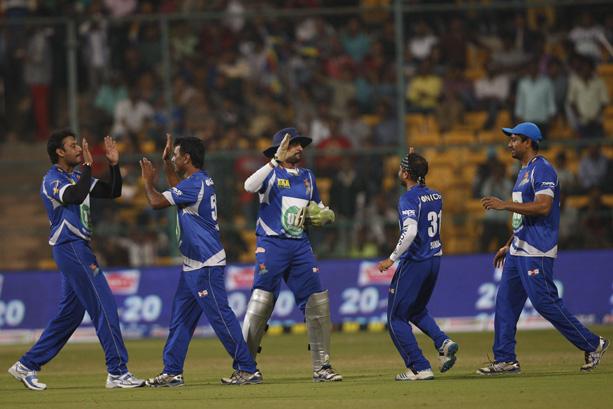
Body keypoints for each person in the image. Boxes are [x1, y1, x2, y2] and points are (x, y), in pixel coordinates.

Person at [8, 129, 144, 391]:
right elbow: (74, 196)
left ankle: (27, 365)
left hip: (78, 248)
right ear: (59, 152)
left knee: (70, 315)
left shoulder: (75, 175)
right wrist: (89, 167)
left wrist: (113, 166)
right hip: (70, 247)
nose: (78, 149)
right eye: (72, 146)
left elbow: (112, 191)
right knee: (104, 305)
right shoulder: (52, 179)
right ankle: (117, 372)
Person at [479, 122, 609, 375]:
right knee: (505, 301)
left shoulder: (543, 169)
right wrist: (509, 243)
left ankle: (593, 343)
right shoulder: (523, 171)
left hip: (537, 248)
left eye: (514, 139)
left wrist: (504, 205)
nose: (509, 144)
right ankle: (505, 359)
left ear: (528, 142)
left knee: (544, 302)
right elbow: (523, 216)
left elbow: (543, 207)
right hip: (519, 247)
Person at [139, 135, 261, 386]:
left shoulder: (195, 184)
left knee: (220, 316)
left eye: (176, 155)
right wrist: (167, 166)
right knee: (180, 319)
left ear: (187, 158)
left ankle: (248, 369)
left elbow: (156, 201)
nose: (173, 157)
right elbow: (177, 192)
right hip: (193, 264)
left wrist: (148, 183)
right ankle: (172, 371)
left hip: (205, 263)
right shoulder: (198, 181)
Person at [241, 127, 342, 382]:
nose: (300, 148)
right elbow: (248, 186)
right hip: (272, 244)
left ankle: (322, 368)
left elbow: (317, 206)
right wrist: (274, 160)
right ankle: (245, 367)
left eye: (300, 145)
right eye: (294, 145)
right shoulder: (271, 173)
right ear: (280, 149)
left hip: (300, 246)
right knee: (261, 302)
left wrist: (325, 213)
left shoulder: (308, 176)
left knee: (318, 303)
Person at [377, 150, 459, 381]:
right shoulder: (436, 195)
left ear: (405, 173)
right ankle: (443, 341)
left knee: (396, 318)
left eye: (402, 168)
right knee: (415, 310)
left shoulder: (407, 199)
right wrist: (413, 160)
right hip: (434, 260)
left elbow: (411, 230)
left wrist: (391, 258)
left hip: (415, 262)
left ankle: (419, 367)